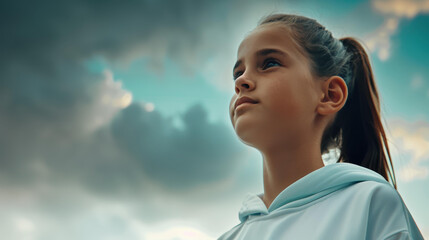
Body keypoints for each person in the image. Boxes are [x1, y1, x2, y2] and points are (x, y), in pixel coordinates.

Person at [219, 13, 424, 240]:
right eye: (238, 73)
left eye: (269, 63)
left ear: (329, 95)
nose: (240, 81)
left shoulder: (370, 204)